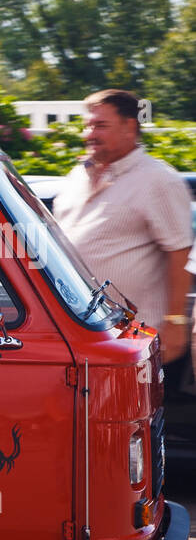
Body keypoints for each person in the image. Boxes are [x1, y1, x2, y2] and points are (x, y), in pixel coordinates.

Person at [53, 89, 193, 362]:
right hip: (78, 335)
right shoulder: (76, 176)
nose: (89, 134)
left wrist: (175, 322)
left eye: (100, 126)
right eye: (88, 125)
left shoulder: (158, 180)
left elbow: (180, 252)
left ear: (130, 126)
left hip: (132, 338)